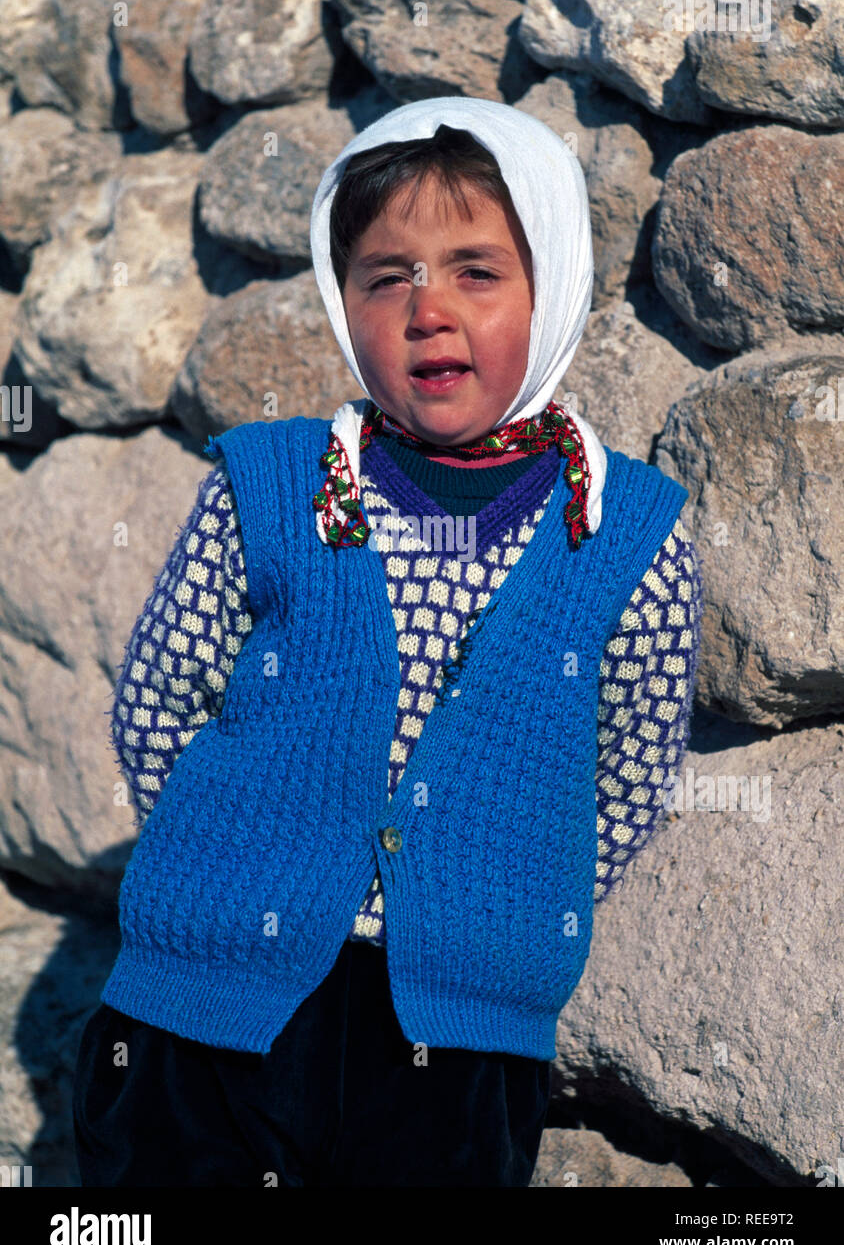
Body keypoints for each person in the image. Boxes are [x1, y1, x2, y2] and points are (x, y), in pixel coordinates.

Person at [72, 96, 704, 1188]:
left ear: (552, 285)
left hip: (454, 1046)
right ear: (340, 297)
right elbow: (161, 701)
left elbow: (629, 772)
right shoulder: (271, 487)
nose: (427, 310)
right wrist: (228, 862)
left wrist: (497, 904)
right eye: (385, 275)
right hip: (206, 1020)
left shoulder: (625, 535)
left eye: (475, 270)